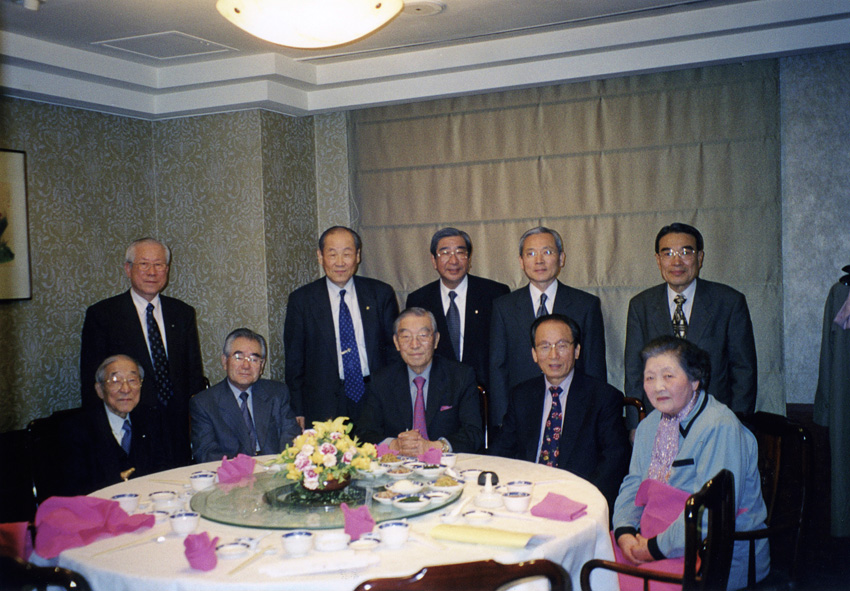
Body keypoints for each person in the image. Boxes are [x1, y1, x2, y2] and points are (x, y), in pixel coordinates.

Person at [612, 335, 769, 590]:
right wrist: (625, 532)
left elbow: (713, 513)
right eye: (649, 377)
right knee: (591, 564)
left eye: (668, 376)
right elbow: (633, 484)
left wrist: (652, 549)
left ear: (695, 380)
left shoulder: (720, 426)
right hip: (653, 538)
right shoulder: (649, 425)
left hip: (715, 552)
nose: (658, 387)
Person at [80, 238, 205, 466]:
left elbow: (193, 375)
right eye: (144, 264)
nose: (152, 272)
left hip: (176, 428)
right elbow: (92, 382)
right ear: (128, 269)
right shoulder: (103, 315)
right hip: (130, 427)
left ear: (167, 270)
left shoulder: (182, 313)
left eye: (159, 265)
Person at [490, 314, 628, 510]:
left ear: (577, 350)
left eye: (562, 346)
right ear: (534, 354)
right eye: (545, 346)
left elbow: (614, 461)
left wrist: (581, 501)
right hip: (525, 496)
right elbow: (501, 450)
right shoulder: (521, 395)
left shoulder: (603, 397)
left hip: (577, 499)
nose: (553, 355)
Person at [623, 223, 757, 419]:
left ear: (700, 257)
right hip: (658, 419)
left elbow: (744, 371)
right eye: (668, 254)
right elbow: (634, 372)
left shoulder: (728, 302)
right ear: (658, 260)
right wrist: (636, 425)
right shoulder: (641, 305)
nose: (677, 262)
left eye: (685, 252)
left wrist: (737, 423)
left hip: (715, 420)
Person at [489, 226, 607, 434]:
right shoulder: (503, 307)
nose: (539, 261)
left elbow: (594, 366)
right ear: (521, 261)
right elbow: (498, 367)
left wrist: (593, 418)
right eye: (531, 254)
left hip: (573, 413)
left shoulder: (585, 305)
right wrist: (502, 420)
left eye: (547, 252)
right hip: (520, 414)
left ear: (561, 258)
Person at [284, 226, 399, 429]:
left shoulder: (380, 294)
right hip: (323, 403)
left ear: (358, 256)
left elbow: (394, 351)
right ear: (320, 256)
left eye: (347, 254)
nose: (340, 262)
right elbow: (294, 360)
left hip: (375, 396)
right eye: (332, 254)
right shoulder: (302, 300)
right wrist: (297, 408)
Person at [356, 308, 483, 455]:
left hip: (446, 463)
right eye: (406, 337)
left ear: (436, 340)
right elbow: (364, 433)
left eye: (423, 335)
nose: (415, 344)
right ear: (396, 342)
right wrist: (394, 444)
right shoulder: (382, 381)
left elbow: (474, 433)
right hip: (398, 464)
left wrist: (435, 446)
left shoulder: (461, 377)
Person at [406, 227, 510, 389]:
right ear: (433, 260)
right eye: (445, 253)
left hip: (484, 391)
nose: (453, 260)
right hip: (438, 390)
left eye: (460, 252)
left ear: (469, 258)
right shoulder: (419, 300)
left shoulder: (495, 294)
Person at [64, 355, 173, 495]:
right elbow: (76, 489)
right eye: (115, 381)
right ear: (99, 389)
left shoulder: (152, 419)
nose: (126, 389)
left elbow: (164, 472)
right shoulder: (78, 430)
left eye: (132, 380)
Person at [190, 328, 300, 463]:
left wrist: (281, 465)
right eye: (238, 357)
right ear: (224, 361)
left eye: (254, 359)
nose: (246, 365)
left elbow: (291, 438)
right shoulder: (204, 403)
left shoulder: (277, 393)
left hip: (274, 468)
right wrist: (246, 469)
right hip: (232, 473)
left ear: (262, 365)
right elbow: (206, 453)